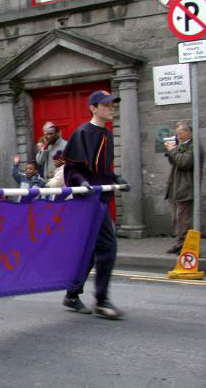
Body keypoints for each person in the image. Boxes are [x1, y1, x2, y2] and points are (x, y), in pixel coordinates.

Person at [61, 90, 129, 319]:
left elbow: (103, 170)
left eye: (112, 105)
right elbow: (72, 169)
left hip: (100, 199)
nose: (111, 108)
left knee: (91, 250)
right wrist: (82, 182)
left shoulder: (107, 134)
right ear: (93, 108)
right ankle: (102, 300)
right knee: (108, 247)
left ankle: (72, 294)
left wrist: (116, 178)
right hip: (87, 201)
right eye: (107, 105)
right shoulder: (82, 132)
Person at [164, 120, 204, 255]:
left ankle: (185, 246)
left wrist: (173, 150)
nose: (178, 136)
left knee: (183, 220)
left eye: (180, 134)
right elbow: (175, 161)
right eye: (177, 134)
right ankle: (180, 243)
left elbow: (184, 163)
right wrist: (171, 151)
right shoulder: (183, 145)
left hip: (186, 188)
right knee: (176, 219)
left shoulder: (194, 146)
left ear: (188, 132)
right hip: (177, 187)